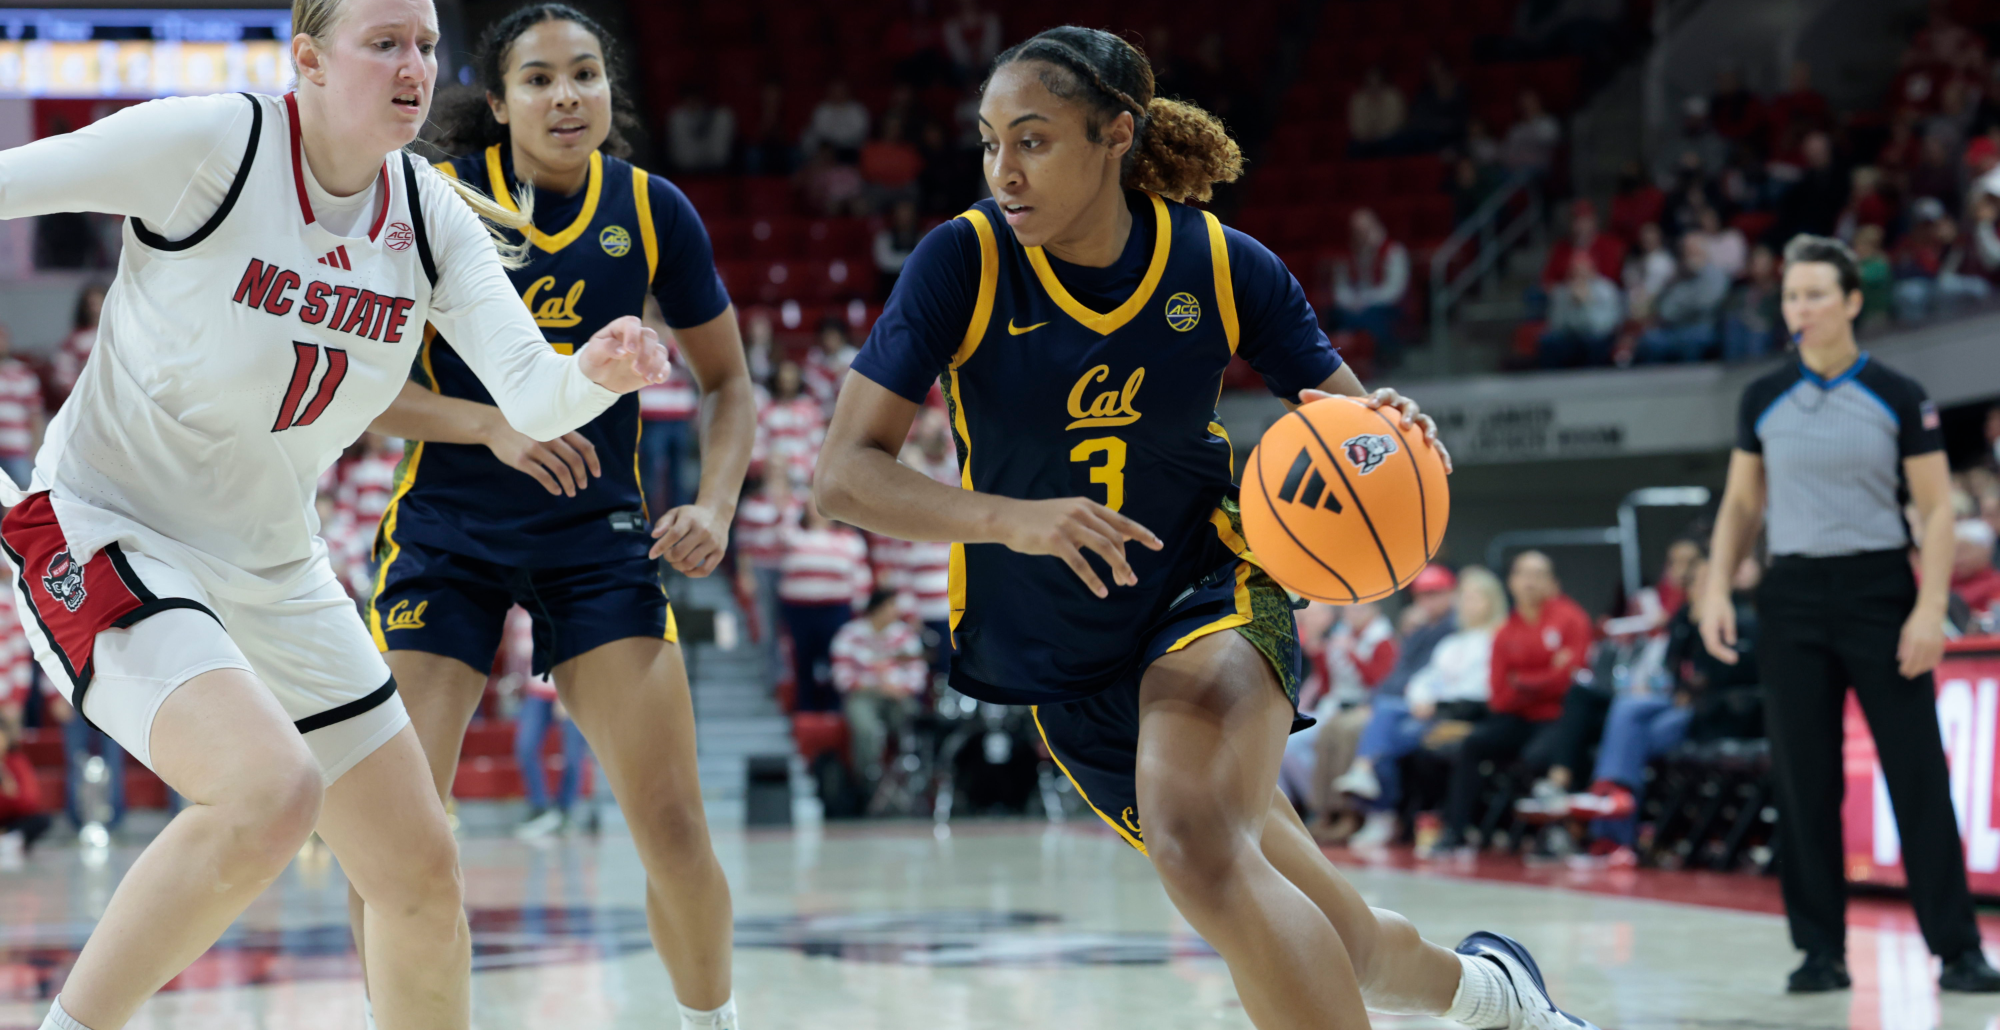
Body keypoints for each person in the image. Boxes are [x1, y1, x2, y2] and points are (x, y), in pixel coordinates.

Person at [815, 26, 1600, 1030]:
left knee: (1193, 839)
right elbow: (843, 475)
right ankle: (1497, 995)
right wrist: (1012, 519)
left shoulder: (1221, 265)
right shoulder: (960, 261)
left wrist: (1386, 436)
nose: (1002, 170)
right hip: (1061, 653)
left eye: (1032, 140)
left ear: (1115, 135)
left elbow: (1349, 425)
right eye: (988, 141)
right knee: (1340, 940)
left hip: (1206, 587)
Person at [0, 0, 675, 1025]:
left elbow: (534, 399)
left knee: (420, 872)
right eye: (385, 44)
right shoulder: (210, 146)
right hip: (107, 528)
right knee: (270, 791)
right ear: (308, 60)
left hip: (274, 563)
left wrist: (594, 370)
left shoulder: (430, 215)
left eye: (427, 45)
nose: (416, 67)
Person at [355, 7, 750, 1029]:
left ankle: (711, 1020)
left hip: (595, 536)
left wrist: (713, 504)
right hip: (445, 531)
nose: (566, 96)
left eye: (585, 74)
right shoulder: (437, 200)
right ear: (497, 102)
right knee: (395, 834)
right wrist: (492, 425)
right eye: (537, 79)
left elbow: (728, 383)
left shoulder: (653, 211)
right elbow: (360, 384)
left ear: (611, 90)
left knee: (673, 829)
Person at [1703, 234, 2000, 995]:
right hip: (1792, 595)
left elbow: (1937, 511)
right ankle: (1820, 951)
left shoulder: (1898, 394)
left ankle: (1957, 950)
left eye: (1816, 294)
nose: (1800, 307)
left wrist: (1929, 607)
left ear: (1852, 302)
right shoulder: (1762, 397)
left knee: (1916, 772)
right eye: (1791, 295)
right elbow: (1742, 503)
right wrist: (1714, 587)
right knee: (1805, 782)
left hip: (1879, 591)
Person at [1435, 551, 1590, 854]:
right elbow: (1498, 696)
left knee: (1539, 755)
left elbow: (1570, 681)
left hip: (1559, 717)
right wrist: (1546, 675)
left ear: (1551, 582)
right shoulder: (1505, 632)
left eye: (1538, 575)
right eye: (1523, 574)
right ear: (1511, 582)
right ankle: (1455, 831)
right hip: (1517, 718)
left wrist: (1521, 681)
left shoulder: (1571, 618)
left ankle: (1553, 835)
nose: (1530, 582)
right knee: (1472, 743)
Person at [1339, 566, 1506, 848]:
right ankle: (1374, 798)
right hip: (1429, 709)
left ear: (1491, 600)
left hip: (1464, 713)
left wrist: (1435, 702)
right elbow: (1425, 678)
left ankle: (1378, 802)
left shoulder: (1496, 638)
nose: (1467, 603)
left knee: (1385, 733)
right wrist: (1421, 698)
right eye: (1465, 597)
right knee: (1385, 718)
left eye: (1474, 597)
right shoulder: (1453, 641)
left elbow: (1481, 688)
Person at [496, 605, 590, 837]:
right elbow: (519, 654)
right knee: (525, 746)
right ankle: (540, 808)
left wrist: (563, 694)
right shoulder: (518, 612)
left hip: (568, 688)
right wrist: (516, 682)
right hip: (536, 689)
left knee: (573, 755)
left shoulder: (558, 600)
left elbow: (572, 644)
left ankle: (565, 811)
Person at [778, 493, 871, 712]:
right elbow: (782, 522)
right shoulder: (793, 536)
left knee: (835, 658)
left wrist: (860, 612)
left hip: (835, 609)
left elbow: (861, 578)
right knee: (803, 660)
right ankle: (805, 709)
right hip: (799, 610)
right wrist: (799, 497)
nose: (817, 510)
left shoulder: (850, 539)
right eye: (812, 505)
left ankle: (834, 708)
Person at [830, 587, 928, 792]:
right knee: (867, 729)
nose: (897, 611)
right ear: (877, 608)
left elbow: (918, 674)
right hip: (863, 696)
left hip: (898, 696)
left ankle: (913, 780)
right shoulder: (849, 635)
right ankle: (867, 783)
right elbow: (841, 677)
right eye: (892, 606)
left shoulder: (905, 635)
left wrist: (899, 688)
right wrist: (875, 685)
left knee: (914, 722)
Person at [1329, 207, 1409, 368]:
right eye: (1356, 231)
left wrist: (1365, 300)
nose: (1361, 235)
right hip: (1354, 306)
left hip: (1383, 305)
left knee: (1373, 319)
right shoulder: (1347, 254)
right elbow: (1340, 288)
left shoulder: (1393, 251)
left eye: (1364, 230)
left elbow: (1394, 290)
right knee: (1334, 315)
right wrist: (1351, 302)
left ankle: (1383, 361)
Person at [1637, 235, 1728, 363]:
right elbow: (1665, 310)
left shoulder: (1716, 274)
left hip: (1702, 328)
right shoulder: (1677, 276)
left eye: (1693, 251)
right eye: (1686, 252)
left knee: (1692, 340)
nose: (1689, 256)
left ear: (1704, 252)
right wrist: (1687, 302)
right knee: (1650, 339)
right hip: (1674, 329)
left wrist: (1682, 304)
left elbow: (1705, 304)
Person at [1538, 250, 1623, 368]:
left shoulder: (1606, 290)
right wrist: (1572, 304)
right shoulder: (1562, 291)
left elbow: (1602, 326)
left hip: (1598, 336)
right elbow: (1556, 325)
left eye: (1582, 270)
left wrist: (1585, 304)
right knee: (1549, 341)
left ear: (1592, 269)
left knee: (1593, 342)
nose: (1579, 274)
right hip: (1570, 336)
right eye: (1575, 270)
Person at [0, 323, 45, 488]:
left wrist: (36, 451)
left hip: (17, 451)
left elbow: (35, 415)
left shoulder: (23, 373)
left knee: (20, 496)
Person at [1721, 244, 1782, 361]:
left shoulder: (1777, 291)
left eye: (1763, 264)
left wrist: (1758, 320)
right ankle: (1732, 367)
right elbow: (1729, 309)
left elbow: (1777, 317)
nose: (1758, 268)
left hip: (1767, 330)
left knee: (1756, 332)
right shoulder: (1741, 289)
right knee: (1733, 323)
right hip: (1742, 328)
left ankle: (1755, 368)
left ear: (1771, 265)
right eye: (1755, 263)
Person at [666, 81, 735, 175]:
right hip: (686, 166)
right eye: (690, 99)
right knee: (677, 118)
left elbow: (719, 156)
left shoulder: (721, 115)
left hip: (717, 165)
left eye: (696, 99)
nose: (693, 102)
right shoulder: (677, 117)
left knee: (724, 116)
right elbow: (683, 159)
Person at [801, 78, 870, 159]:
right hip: (825, 148)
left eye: (841, 91)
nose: (838, 94)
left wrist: (839, 140)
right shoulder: (822, 109)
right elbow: (820, 130)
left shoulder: (857, 109)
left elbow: (859, 133)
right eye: (835, 90)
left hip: (851, 148)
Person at [1347, 66, 1407, 157]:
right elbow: (1356, 125)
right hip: (1364, 140)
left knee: (1398, 144)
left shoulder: (1393, 97)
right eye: (1370, 82)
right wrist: (1366, 134)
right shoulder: (1358, 99)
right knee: (1354, 149)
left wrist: (1379, 134)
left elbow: (1397, 122)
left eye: (1378, 82)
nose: (1374, 86)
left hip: (1389, 138)